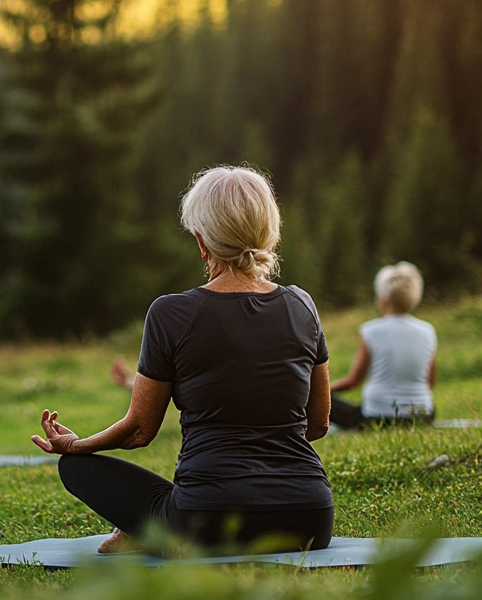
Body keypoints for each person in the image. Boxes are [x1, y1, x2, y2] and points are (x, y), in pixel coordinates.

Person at [32, 166, 334, 554]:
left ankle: (142, 532)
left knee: (77, 469)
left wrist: (76, 446)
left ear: (202, 241)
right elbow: (318, 423)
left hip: (207, 520)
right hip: (308, 519)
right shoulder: (301, 304)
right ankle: (146, 529)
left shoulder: (171, 313)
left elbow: (140, 431)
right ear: (268, 232)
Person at [330, 262, 436, 429]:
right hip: (422, 415)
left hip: (377, 418)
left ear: (382, 298)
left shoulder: (371, 330)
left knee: (322, 402)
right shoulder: (427, 330)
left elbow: (353, 381)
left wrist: (324, 389)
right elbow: (429, 382)